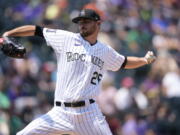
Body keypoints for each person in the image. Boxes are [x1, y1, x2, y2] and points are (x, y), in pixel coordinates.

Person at [0, 9, 156, 135]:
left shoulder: (105, 51)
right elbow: (36, 30)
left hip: (89, 114)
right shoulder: (66, 38)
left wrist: (144, 60)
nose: (82, 25)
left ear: (98, 23)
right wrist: (9, 34)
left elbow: (124, 62)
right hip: (60, 112)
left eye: (86, 21)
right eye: (80, 22)